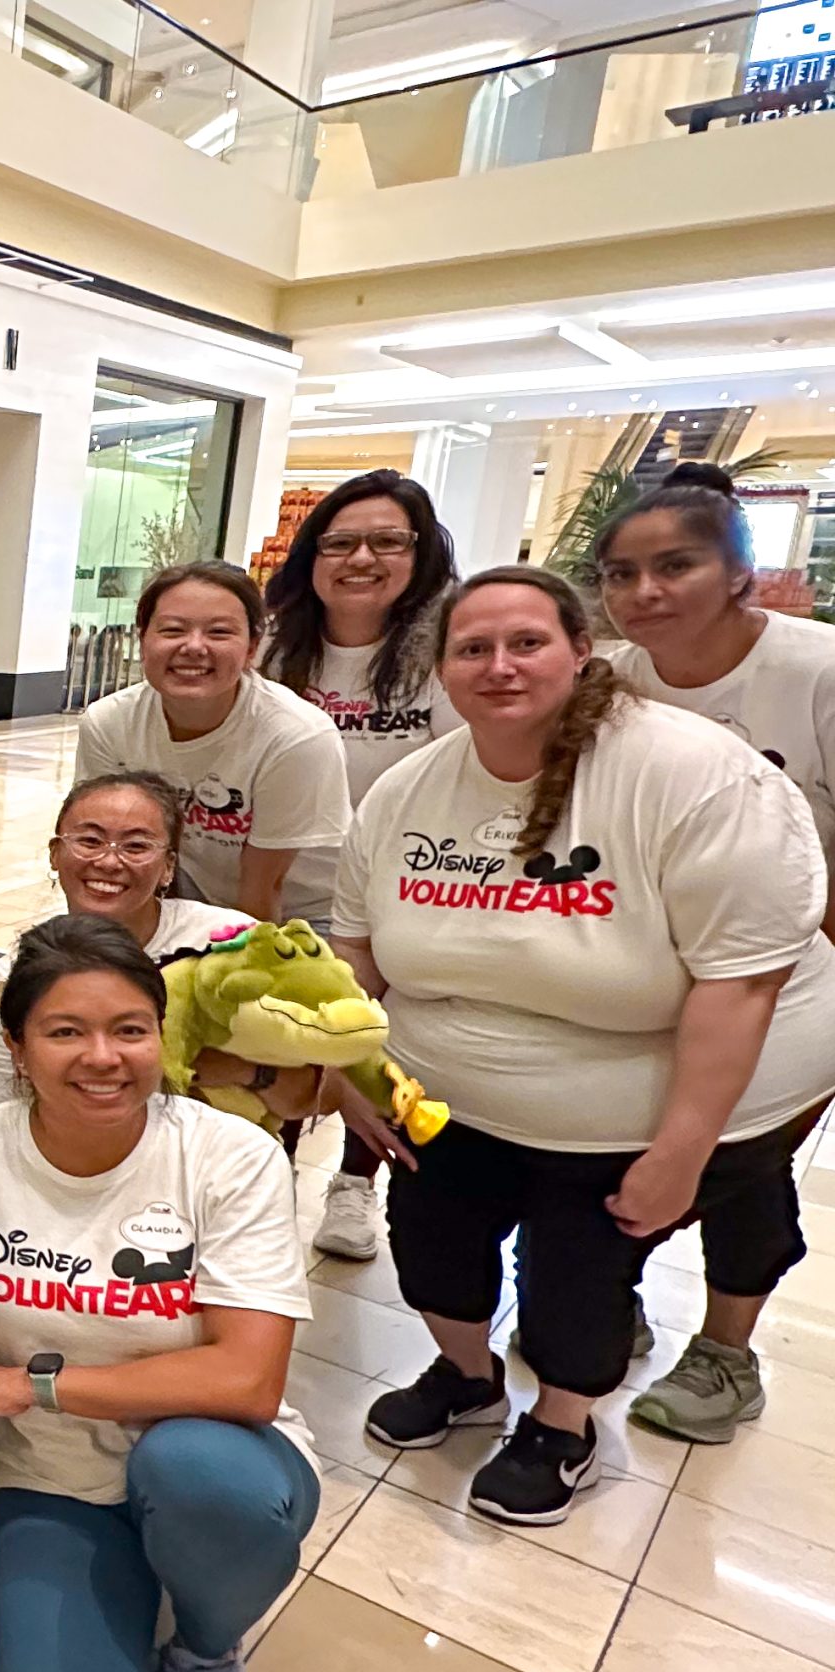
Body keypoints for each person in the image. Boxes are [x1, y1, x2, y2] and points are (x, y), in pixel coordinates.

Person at [341, 568, 835, 1523]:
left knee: (574, 1279)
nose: (499, 665)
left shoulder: (689, 774)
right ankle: (467, 1375)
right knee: (434, 1252)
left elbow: (742, 983)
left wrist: (681, 1151)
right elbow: (355, 952)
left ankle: (562, 1428)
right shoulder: (412, 789)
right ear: (442, 670)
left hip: (642, 1099)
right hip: (448, 1095)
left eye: (527, 642)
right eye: (471, 648)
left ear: (582, 651)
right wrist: (353, 1078)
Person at [0, 915, 317, 1672]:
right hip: (54, 1473)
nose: (102, 1057)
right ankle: (106, 1567)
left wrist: (34, 1387)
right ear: (18, 1050)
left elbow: (247, 1382)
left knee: (191, 1475)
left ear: (163, 1038)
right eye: (65, 1031)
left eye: (130, 1030)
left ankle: (204, 1653)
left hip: (220, 1457)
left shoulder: (228, 1156)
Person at [600, 462, 835, 1441]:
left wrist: (802, 980)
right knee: (628, 1144)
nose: (645, 592)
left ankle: (726, 1351)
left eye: (675, 565)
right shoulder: (611, 680)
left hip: (793, 969)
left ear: (741, 572)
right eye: (621, 572)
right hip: (656, 967)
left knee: (741, 1161)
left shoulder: (815, 670)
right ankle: (605, 1301)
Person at [259, 471, 464, 1260]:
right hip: (285, 878)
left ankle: (354, 1185)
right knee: (270, 1040)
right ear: (311, 555)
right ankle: (262, 1177)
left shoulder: (440, 653)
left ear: (421, 553)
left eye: (388, 542)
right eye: (340, 542)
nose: (361, 559)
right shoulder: (278, 642)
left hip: (398, 892)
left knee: (372, 1042)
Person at [0, 771, 256, 1118]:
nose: (108, 861)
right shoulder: (12, 978)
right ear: (54, 853)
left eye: (135, 846)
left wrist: (250, 1072)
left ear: (168, 867)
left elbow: (314, 1093)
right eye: (90, 841)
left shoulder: (231, 942)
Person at [73, 560, 350, 922]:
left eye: (219, 633)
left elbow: (263, 889)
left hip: (301, 918)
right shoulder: (109, 723)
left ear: (252, 648)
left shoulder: (296, 737)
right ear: (142, 638)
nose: (194, 647)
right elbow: (106, 856)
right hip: (200, 903)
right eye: (173, 630)